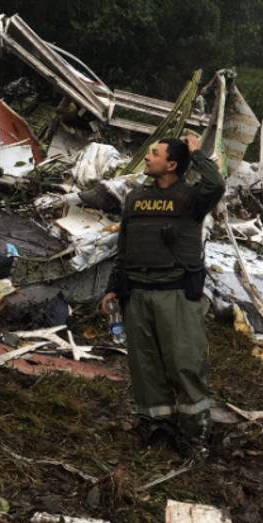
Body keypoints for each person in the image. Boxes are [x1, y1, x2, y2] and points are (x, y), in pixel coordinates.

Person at [98, 135, 224, 456]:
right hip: (137, 293)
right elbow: (123, 248)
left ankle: (195, 434)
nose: (148, 157)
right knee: (145, 366)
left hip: (176, 294)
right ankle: (157, 428)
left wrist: (196, 154)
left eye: (155, 153)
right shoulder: (135, 198)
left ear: (171, 165)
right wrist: (113, 288)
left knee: (184, 363)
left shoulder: (191, 199)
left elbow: (216, 185)